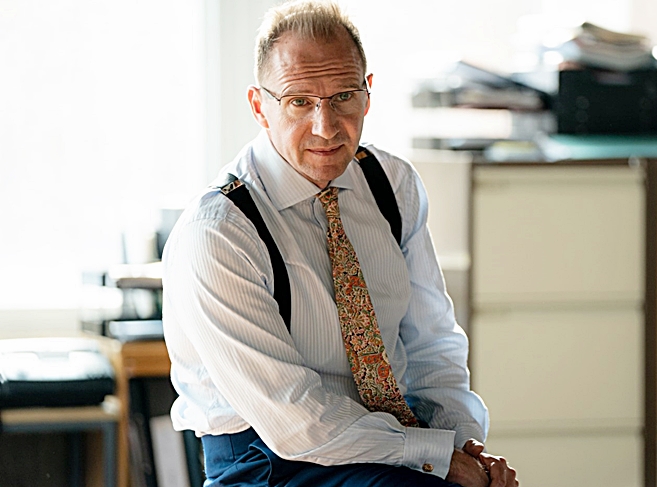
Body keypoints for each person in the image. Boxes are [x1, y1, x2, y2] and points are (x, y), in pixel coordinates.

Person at [162, 1, 517, 486]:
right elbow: (295, 420)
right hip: (270, 461)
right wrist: (438, 458)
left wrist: (463, 446)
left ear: (367, 94)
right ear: (259, 106)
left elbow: (432, 345)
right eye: (299, 101)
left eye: (343, 97)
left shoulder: (392, 184)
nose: (326, 127)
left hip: (391, 440)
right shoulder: (219, 231)